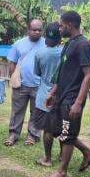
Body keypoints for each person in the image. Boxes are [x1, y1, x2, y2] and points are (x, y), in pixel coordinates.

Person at [42, 11, 90, 177]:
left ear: (70, 25)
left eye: (61, 25)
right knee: (61, 130)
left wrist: (78, 103)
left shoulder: (82, 45)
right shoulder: (69, 44)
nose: (59, 28)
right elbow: (62, 72)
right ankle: (88, 152)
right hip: (62, 96)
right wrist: (53, 92)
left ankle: (62, 172)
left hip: (72, 98)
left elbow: (88, 75)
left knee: (67, 133)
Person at [4, 20, 44, 146]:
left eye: (39, 30)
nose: (37, 32)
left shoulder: (46, 44)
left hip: (39, 85)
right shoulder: (18, 44)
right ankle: (13, 134)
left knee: (36, 111)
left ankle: (33, 136)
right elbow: (12, 63)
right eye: (34, 29)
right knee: (17, 111)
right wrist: (14, 79)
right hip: (21, 85)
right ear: (28, 30)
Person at [32, 23, 63, 167]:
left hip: (45, 96)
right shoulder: (64, 52)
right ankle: (63, 156)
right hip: (62, 96)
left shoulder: (39, 54)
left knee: (47, 130)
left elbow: (37, 72)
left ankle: (48, 158)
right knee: (64, 128)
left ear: (45, 38)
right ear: (60, 38)